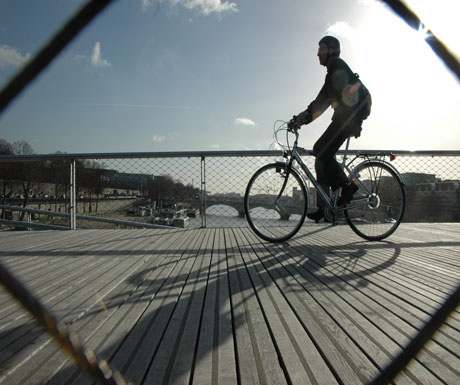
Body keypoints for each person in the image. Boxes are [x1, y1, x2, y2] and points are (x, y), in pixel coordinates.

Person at [288, 35, 364, 222]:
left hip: (350, 118)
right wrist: (302, 118)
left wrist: (301, 119)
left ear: (331, 50)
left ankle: (348, 185)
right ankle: (324, 206)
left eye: (321, 49)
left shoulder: (336, 67)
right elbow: (323, 99)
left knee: (321, 150)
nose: (317, 54)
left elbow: (322, 102)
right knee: (320, 158)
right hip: (344, 117)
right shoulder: (333, 70)